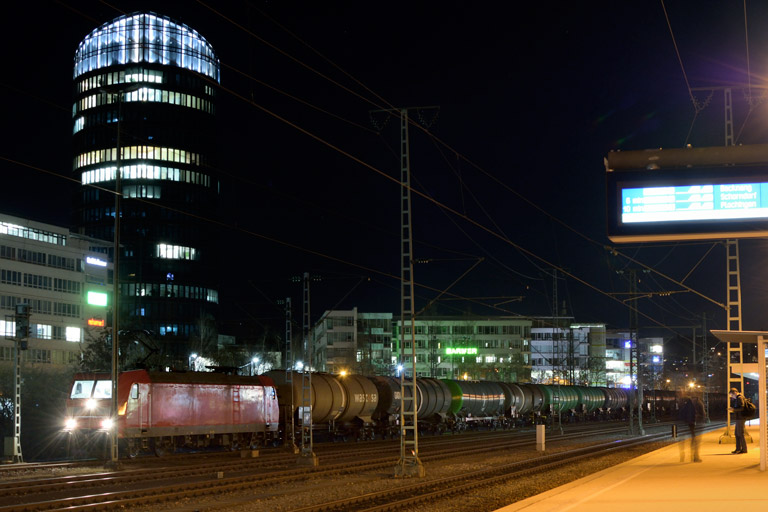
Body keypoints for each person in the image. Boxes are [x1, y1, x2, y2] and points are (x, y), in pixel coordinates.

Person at [678, 396, 705, 462]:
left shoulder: (686, 403)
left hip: (686, 424)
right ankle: (695, 457)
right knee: (695, 441)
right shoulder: (699, 403)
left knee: (683, 441)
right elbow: (703, 414)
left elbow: (680, 413)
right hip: (695, 424)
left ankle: (682, 455)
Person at [728, 388, 748, 454]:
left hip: (741, 418)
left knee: (740, 434)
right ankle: (738, 449)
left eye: (732, 395)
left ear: (735, 393)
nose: (732, 397)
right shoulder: (737, 398)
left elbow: (742, 407)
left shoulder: (740, 398)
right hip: (739, 418)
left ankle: (744, 449)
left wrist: (733, 409)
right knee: (736, 434)